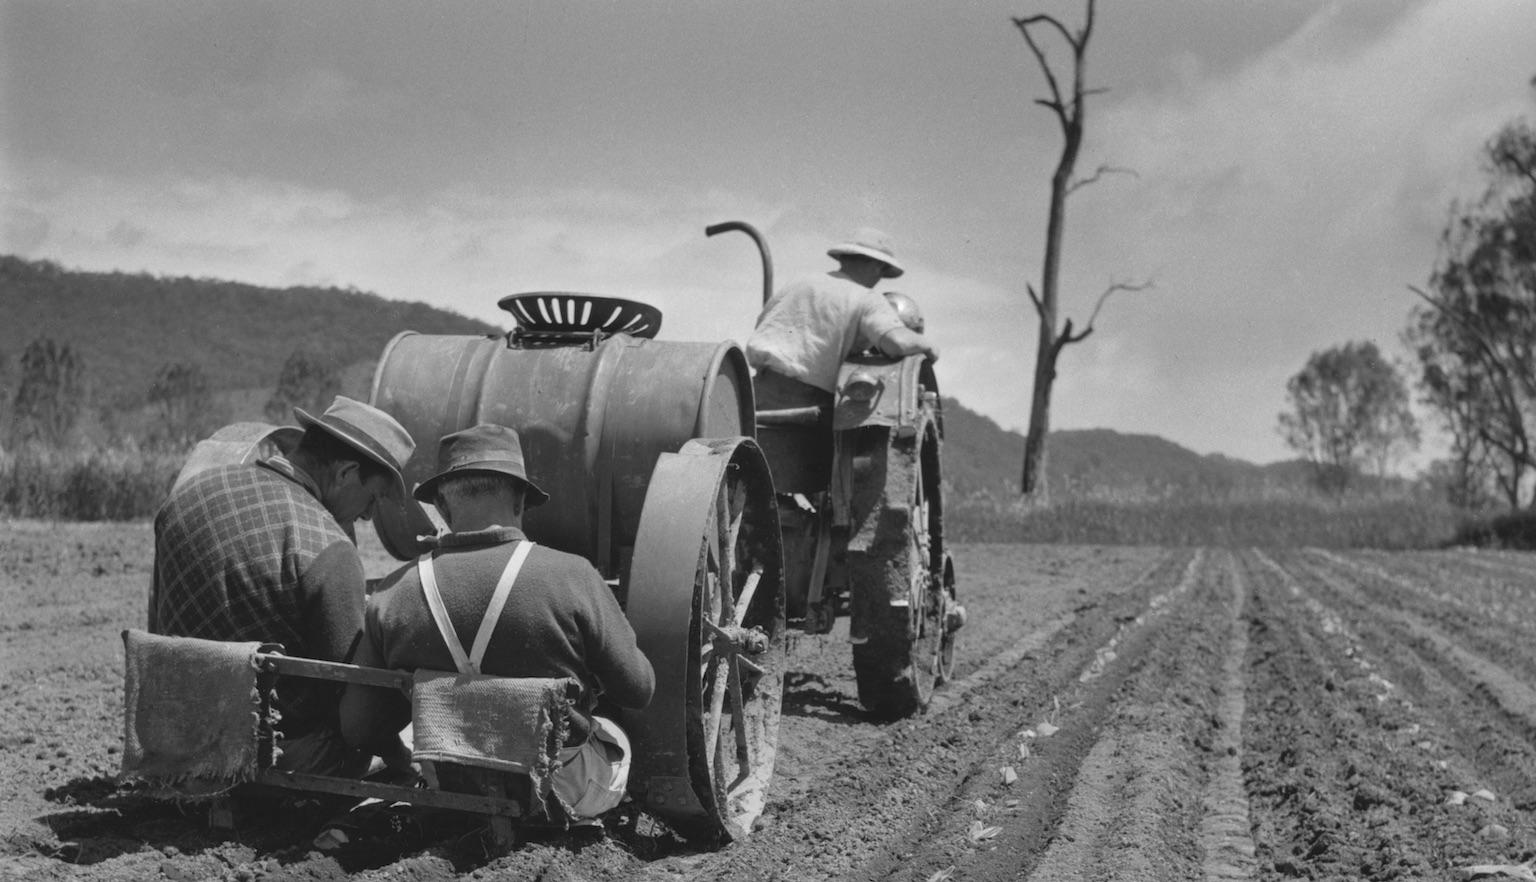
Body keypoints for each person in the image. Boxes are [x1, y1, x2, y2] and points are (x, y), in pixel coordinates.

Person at [339, 423, 655, 820]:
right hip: (560, 792)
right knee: (615, 735)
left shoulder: (392, 594)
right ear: (521, 501)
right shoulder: (573, 576)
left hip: (451, 791)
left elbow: (360, 728)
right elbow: (638, 690)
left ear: (442, 504)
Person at [149, 395, 417, 778]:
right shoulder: (326, 544)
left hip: (177, 745)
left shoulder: (186, 496)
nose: (369, 514)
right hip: (272, 760)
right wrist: (398, 756)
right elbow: (352, 705)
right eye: (373, 497)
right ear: (345, 473)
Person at [746, 227, 939, 407]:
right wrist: (929, 346)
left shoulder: (799, 283)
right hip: (808, 404)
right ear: (878, 266)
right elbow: (897, 343)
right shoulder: (867, 298)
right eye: (883, 271)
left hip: (755, 394)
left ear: (844, 258)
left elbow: (763, 323)